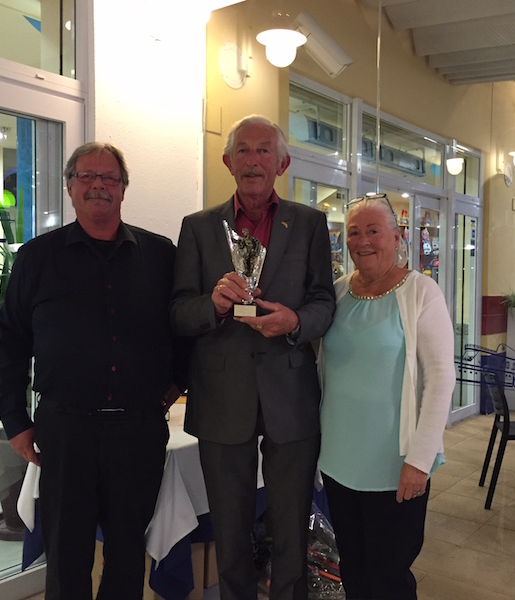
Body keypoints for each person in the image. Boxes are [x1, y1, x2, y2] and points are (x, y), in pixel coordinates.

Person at [0, 142, 186, 599]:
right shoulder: (37, 257)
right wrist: (15, 420)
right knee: (66, 555)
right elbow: (11, 339)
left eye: (109, 177)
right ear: (70, 187)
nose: (98, 185)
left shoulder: (161, 256)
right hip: (66, 431)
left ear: (123, 189)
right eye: (87, 176)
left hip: (138, 433)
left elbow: (184, 327)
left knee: (127, 555)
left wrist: (178, 381)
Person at [171, 115, 336, 600]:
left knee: (291, 531)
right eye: (243, 150)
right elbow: (179, 311)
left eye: (264, 150)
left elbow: (324, 302)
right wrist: (214, 305)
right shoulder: (199, 228)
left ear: (282, 163)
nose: (253, 160)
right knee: (230, 531)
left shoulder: (309, 224)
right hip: (222, 397)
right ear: (228, 161)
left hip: (291, 395)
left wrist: (295, 322)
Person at [318, 194, 455, 600]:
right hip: (340, 462)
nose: (363, 241)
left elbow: (441, 380)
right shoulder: (338, 293)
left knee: (389, 577)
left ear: (397, 238)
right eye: (354, 232)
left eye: (374, 231)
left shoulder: (421, 292)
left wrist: (420, 460)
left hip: (395, 465)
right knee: (353, 569)